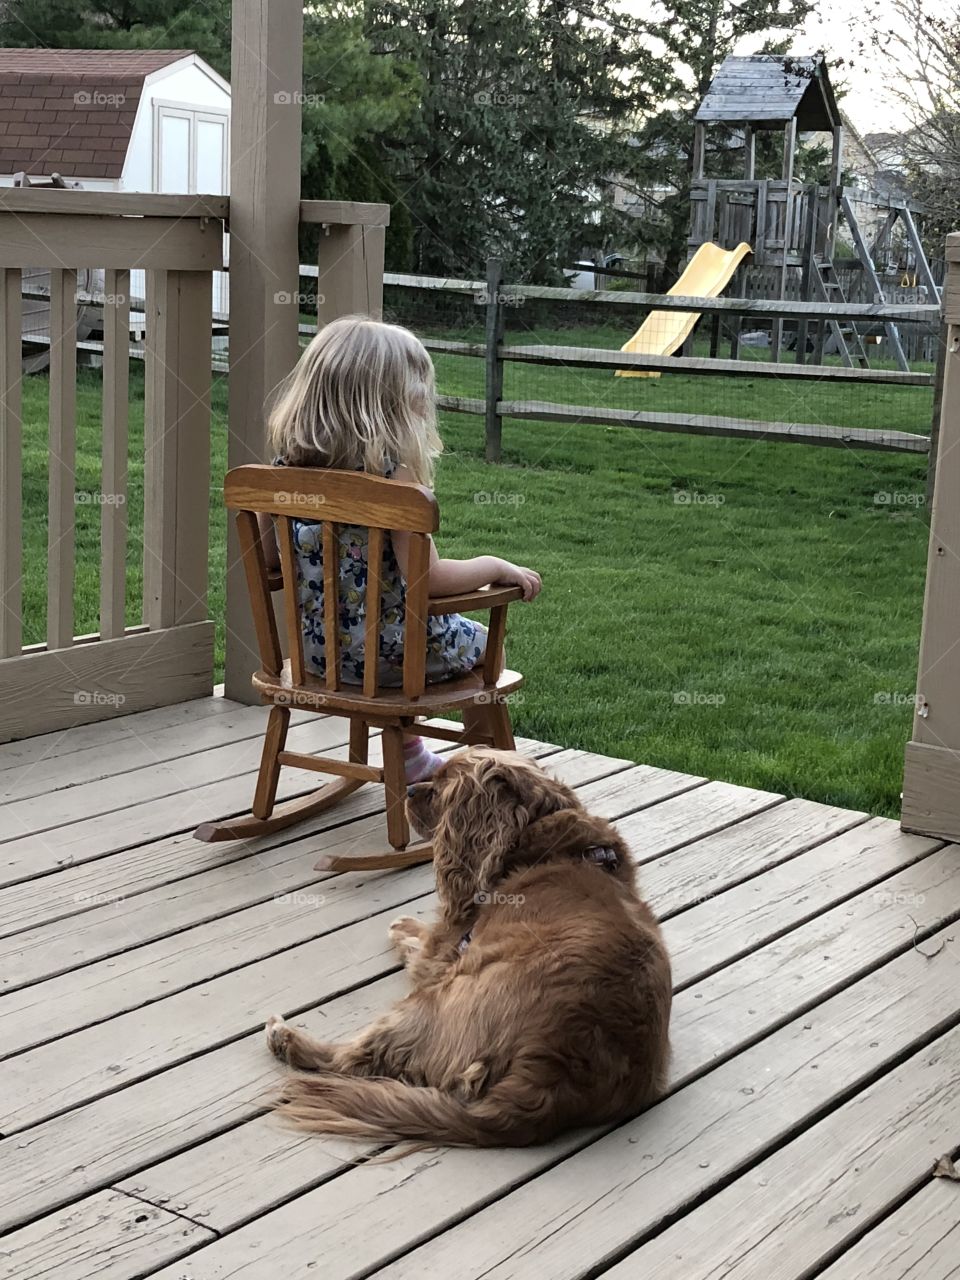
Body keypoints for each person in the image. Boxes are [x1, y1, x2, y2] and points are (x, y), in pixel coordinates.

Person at [259, 315, 541, 782]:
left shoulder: (278, 477)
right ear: (389, 406)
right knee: (482, 644)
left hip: (317, 660)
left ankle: (411, 753)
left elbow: (269, 562)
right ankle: (480, 778)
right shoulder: (393, 484)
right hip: (389, 661)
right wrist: (496, 566)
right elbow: (429, 583)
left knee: (393, 644)